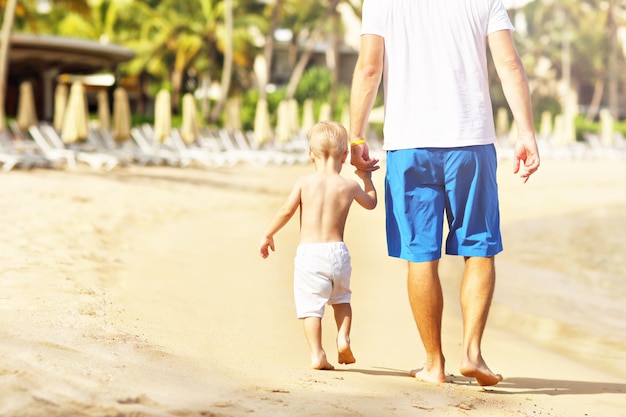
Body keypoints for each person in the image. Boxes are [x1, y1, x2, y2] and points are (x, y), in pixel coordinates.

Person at [348, 0, 540, 386]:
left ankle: (433, 364)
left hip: (408, 145)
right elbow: (510, 65)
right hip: (470, 143)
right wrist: (526, 133)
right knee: (479, 246)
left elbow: (370, 68)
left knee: (420, 254)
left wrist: (356, 135)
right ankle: (472, 354)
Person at [258, 121, 377, 370]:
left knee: (311, 307)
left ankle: (317, 354)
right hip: (338, 253)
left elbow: (286, 210)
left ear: (310, 155)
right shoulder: (349, 185)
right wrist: (366, 178)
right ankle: (343, 337)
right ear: (345, 156)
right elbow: (371, 203)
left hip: (310, 255)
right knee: (342, 299)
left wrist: (268, 234)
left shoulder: (304, 183)